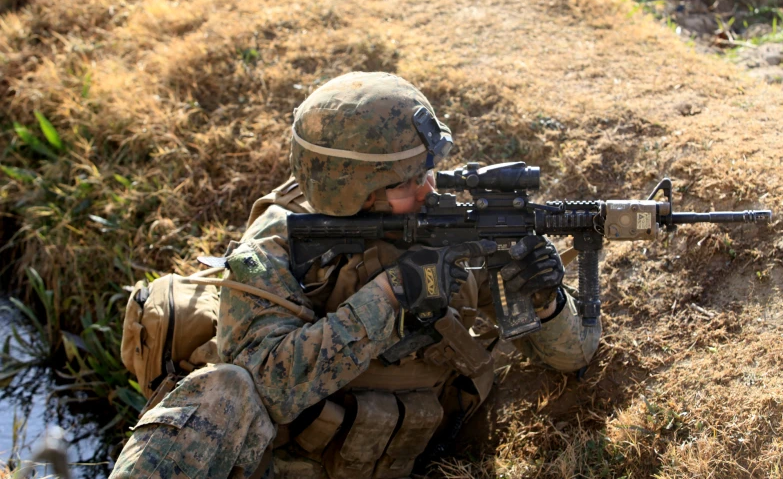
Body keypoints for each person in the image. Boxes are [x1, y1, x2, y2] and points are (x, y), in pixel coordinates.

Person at [110, 72, 601, 479]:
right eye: (410, 182)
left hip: (406, 458)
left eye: (430, 172)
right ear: (356, 192)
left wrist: (544, 300)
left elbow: (573, 355)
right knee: (223, 387)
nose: (430, 190)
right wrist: (391, 296)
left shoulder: (451, 221)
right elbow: (268, 385)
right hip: (290, 467)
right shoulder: (277, 243)